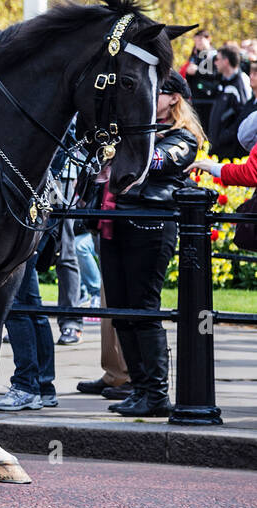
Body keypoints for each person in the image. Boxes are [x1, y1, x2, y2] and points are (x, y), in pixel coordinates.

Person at [99, 70, 204, 417]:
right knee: (121, 311)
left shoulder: (184, 136)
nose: (148, 95)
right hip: (116, 221)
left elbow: (152, 163)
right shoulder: (139, 129)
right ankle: (140, 388)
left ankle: (156, 394)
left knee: (143, 309)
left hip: (151, 225)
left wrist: (120, 145)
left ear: (174, 98)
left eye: (156, 91)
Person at [0, 252, 58, 410]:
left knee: (13, 302)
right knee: (30, 304)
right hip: (34, 232)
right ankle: (42, 386)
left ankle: (27, 386)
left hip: (25, 233)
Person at [207, 45, 254, 159]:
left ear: (226, 61)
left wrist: (225, 136)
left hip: (232, 153)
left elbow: (245, 115)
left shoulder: (241, 80)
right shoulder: (222, 81)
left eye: (217, 59)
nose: (215, 63)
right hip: (218, 150)